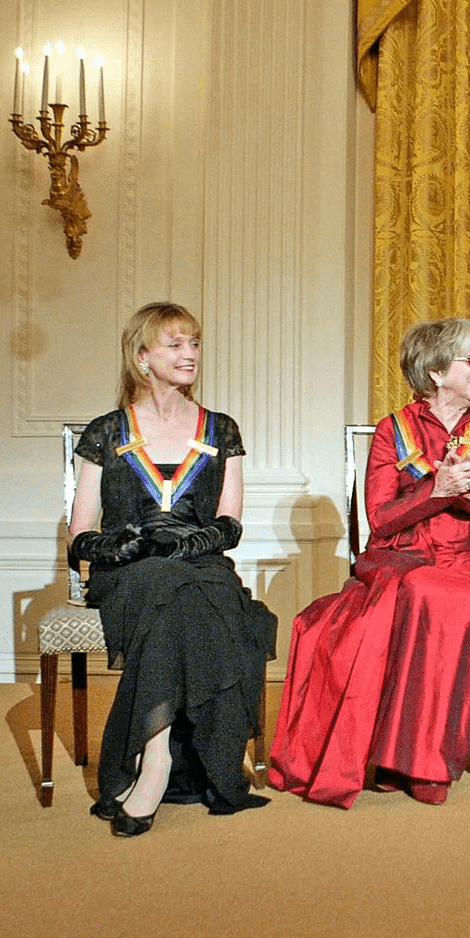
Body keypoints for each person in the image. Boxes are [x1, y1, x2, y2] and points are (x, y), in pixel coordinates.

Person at [268, 317, 470, 808]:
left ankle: (427, 762)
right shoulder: (393, 430)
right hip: (404, 556)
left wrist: (467, 497)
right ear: (437, 372)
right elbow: (380, 519)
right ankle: (404, 760)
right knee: (418, 594)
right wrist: (436, 491)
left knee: (458, 602)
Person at [68, 303, 278, 836]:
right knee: (166, 584)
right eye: (175, 345)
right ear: (142, 358)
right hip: (127, 571)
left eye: (195, 344)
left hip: (202, 567)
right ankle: (160, 760)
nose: (190, 355)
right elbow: (81, 532)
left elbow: (230, 523)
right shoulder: (104, 432)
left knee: (184, 588)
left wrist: (195, 540)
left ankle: (151, 758)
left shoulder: (222, 429)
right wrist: (132, 543)